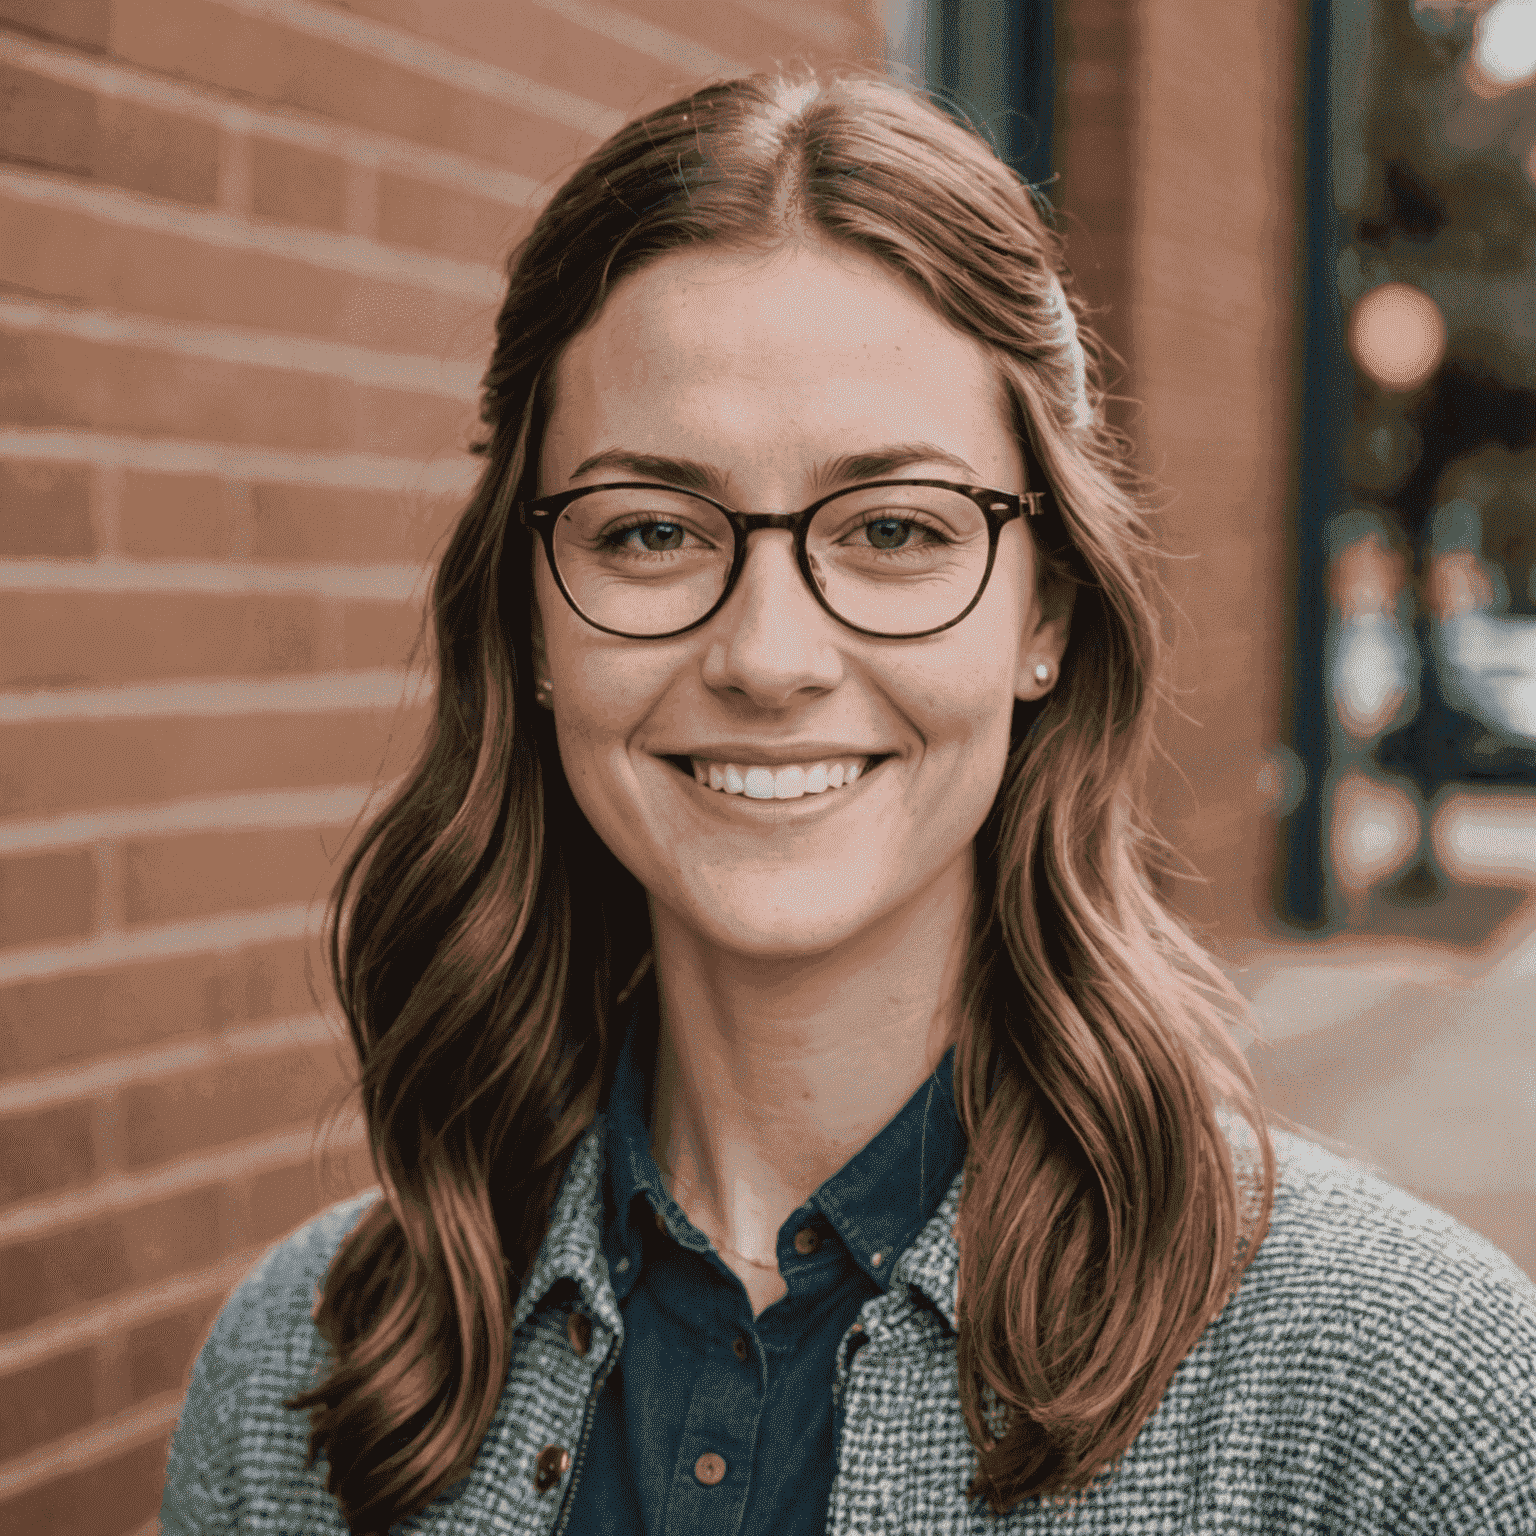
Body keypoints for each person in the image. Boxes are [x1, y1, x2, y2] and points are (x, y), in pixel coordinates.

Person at [160, 70, 1536, 1536]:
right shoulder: (302, 1369)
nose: (766, 656)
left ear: (1045, 612)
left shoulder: (1403, 1390)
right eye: (648, 531)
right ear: (531, 624)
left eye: (893, 529)